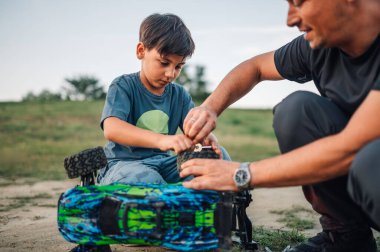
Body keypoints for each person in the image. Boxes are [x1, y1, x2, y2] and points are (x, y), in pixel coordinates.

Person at [180, 0, 380, 251]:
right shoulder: (321, 46)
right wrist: (209, 107)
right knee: (296, 111)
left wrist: (240, 174)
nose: (290, 19)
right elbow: (255, 67)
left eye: (298, 3)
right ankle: (347, 239)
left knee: (370, 160)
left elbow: (352, 148)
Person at [97, 13, 228, 186]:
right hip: (123, 164)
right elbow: (112, 128)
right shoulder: (123, 85)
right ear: (141, 51)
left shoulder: (180, 95)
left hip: (165, 164)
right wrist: (164, 140)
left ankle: (218, 209)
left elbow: (195, 128)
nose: (170, 74)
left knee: (219, 158)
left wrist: (206, 138)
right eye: (164, 63)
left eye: (178, 66)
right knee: (148, 179)